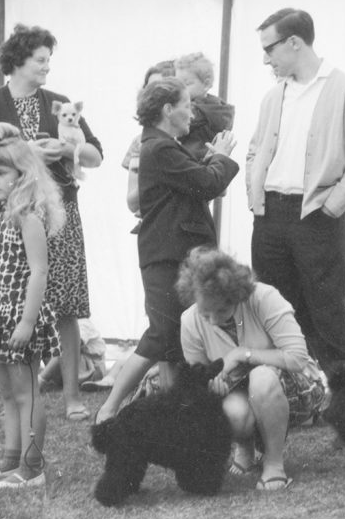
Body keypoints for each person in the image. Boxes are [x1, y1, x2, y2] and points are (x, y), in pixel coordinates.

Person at [0, 24, 103, 421]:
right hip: (10, 216)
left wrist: (69, 146)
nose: (46, 68)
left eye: (48, 60)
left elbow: (96, 156)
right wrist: (26, 153)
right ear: (17, 62)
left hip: (59, 214)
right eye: (40, 60)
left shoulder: (59, 102)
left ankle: (72, 396)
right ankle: (22, 387)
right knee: (13, 300)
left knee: (67, 305)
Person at [94, 78, 238, 424]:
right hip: (167, 255)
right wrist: (220, 157)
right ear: (167, 110)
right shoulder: (160, 148)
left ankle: (174, 411)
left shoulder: (162, 146)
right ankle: (109, 409)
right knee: (162, 334)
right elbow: (207, 183)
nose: (192, 113)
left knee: (174, 339)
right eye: (188, 105)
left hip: (170, 253)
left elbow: (192, 176)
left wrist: (208, 158)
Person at [247, 7, 345, 376]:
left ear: (294, 43)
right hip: (269, 215)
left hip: (317, 215)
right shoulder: (273, 96)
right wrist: (253, 191)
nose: (265, 59)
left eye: (269, 48)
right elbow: (256, 149)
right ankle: (295, 391)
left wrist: (333, 207)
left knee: (327, 310)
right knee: (274, 308)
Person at [0, 123, 66, 491]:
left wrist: (27, 321)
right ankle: (10, 459)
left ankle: (32, 467)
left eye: (0, 172)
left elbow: (39, 270)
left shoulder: (28, 215)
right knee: (7, 391)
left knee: (27, 391)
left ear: (22, 173)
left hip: (19, 312)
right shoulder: (2, 213)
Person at [179, 247, 325, 491]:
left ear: (237, 295)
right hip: (242, 394)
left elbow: (298, 359)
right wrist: (212, 388)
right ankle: (245, 450)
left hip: (295, 389)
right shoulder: (189, 321)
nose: (213, 320)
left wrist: (243, 354)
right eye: (206, 313)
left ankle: (274, 464)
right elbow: (197, 382)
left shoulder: (265, 297)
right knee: (231, 408)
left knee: (262, 377)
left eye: (222, 311)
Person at [124, 60, 176, 220]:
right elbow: (132, 203)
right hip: (154, 228)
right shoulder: (140, 142)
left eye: (159, 88)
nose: (152, 94)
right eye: (148, 87)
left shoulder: (195, 137)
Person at [174, 52, 235, 163]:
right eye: (178, 84)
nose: (180, 89)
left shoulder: (199, 111)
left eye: (187, 84)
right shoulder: (218, 108)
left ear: (206, 84)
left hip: (195, 161)